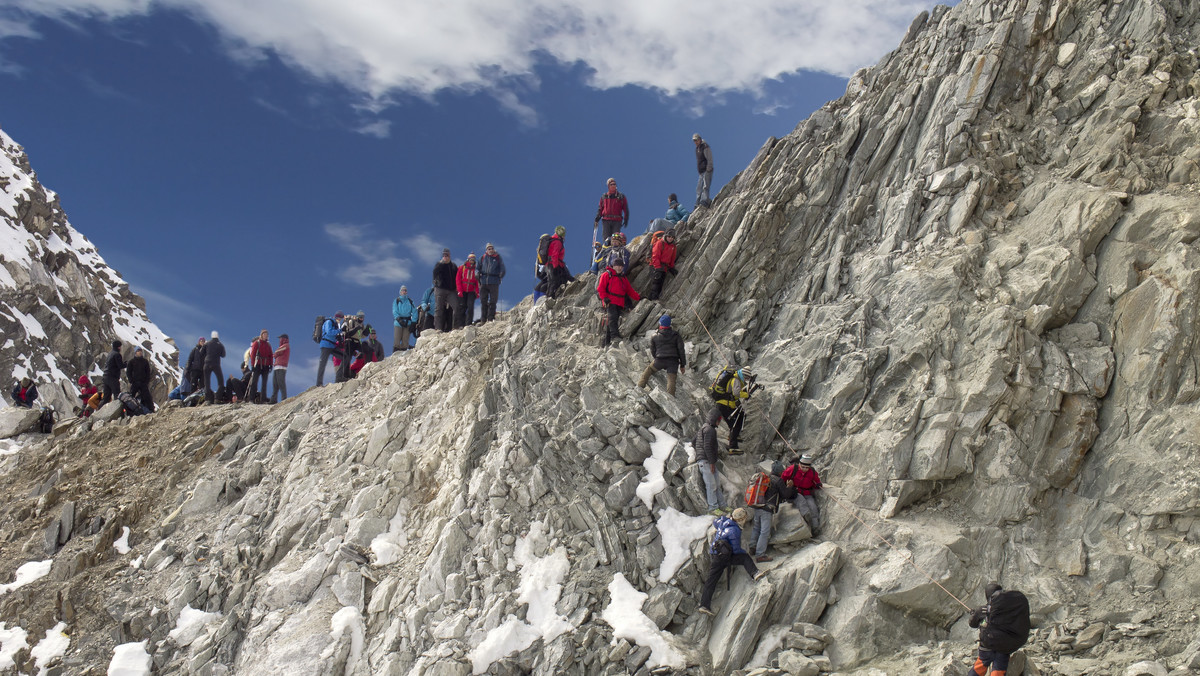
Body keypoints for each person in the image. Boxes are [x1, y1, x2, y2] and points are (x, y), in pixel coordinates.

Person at [699, 508, 763, 616]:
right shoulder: (735, 530)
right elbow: (736, 549)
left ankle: (704, 605)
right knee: (745, 558)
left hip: (715, 554)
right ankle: (755, 573)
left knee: (711, 580)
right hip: (726, 557)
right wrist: (745, 552)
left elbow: (715, 522)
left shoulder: (723, 522)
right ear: (740, 519)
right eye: (743, 518)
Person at [967, 583, 1031, 676]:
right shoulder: (1011, 607)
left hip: (988, 644)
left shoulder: (984, 609)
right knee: (999, 669)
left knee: (980, 666)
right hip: (1005, 646)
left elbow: (972, 624)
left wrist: (975, 613)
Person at [709, 367, 760, 455]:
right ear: (743, 375)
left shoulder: (735, 378)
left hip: (724, 404)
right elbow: (736, 393)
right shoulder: (736, 379)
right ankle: (733, 447)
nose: (747, 379)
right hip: (725, 404)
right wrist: (746, 394)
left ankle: (733, 436)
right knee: (735, 424)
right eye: (746, 377)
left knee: (738, 418)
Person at [747, 463, 791, 562]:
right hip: (767, 510)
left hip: (757, 506)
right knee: (765, 532)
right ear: (780, 472)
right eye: (782, 471)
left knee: (756, 527)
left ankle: (753, 547)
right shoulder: (778, 480)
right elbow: (785, 494)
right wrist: (789, 487)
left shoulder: (767, 478)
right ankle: (760, 555)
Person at [596, 258, 640, 347]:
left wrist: (639, 298)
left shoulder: (623, 278)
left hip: (619, 302)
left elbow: (630, 290)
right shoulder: (607, 274)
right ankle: (614, 337)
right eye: (617, 266)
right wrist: (605, 298)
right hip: (610, 301)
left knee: (612, 321)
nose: (619, 268)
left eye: (621, 266)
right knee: (613, 318)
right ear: (613, 266)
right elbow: (600, 288)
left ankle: (605, 343)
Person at [638, 315, 686, 395]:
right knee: (671, 380)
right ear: (669, 324)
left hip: (659, 360)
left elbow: (652, 350)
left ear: (660, 324)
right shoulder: (676, 335)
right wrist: (682, 365)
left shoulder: (655, 336)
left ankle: (639, 387)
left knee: (649, 369)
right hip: (673, 361)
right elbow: (681, 350)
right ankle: (670, 399)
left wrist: (656, 358)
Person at [782, 454, 823, 536]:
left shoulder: (812, 472)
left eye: (806, 468)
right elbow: (783, 477)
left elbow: (817, 482)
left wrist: (818, 485)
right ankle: (806, 517)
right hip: (795, 492)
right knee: (802, 502)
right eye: (803, 467)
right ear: (799, 464)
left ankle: (815, 528)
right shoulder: (793, 469)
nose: (804, 469)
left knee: (813, 507)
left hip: (807, 493)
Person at [693, 408, 724, 514]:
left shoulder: (704, 428)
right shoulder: (710, 430)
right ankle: (713, 508)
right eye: (719, 419)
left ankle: (722, 505)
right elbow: (707, 447)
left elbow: (694, 441)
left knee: (716, 484)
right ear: (715, 419)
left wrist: (698, 451)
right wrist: (711, 462)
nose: (719, 422)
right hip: (706, 462)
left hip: (706, 460)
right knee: (711, 485)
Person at [594, 178, 629, 243]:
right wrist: (597, 218)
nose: (613, 185)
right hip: (606, 220)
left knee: (615, 238)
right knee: (606, 238)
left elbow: (625, 208)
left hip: (617, 220)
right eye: (611, 184)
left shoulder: (621, 196)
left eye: (614, 184)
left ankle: (615, 251)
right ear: (608, 186)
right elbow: (600, 208)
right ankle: (606, 251)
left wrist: (626, 218)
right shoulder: (604, 197)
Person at [647, 229, 678, 301]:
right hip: (655, 265)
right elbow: (655, 256)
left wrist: (671, 267)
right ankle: (653, 299)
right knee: (656, 282)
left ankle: (653, 298)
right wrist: (657, 268)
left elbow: (672, 258)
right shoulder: (660, 243)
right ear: (666, 236)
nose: (670, 238)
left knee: (661, 283)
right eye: (669, 236)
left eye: (672, 237)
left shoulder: (673, 246)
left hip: (664, 267)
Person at [478, 243, 506, 322]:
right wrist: (477, 274)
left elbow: (502, 268)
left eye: (492, 248)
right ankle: (483, 319)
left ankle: (490, 318)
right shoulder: (482, 258)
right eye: (489, 249)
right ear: (486, 250)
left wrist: (501, 274)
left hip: (494, 281)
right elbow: (478, 267)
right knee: (483, 301)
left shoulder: (497, 258)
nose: (490, 250)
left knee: (493, 301)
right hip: (484, 281)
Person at [433, 249, 458, 332]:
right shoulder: (439, 264)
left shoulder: (453, 266)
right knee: (439, 308)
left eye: (447, 255)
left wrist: (457, 287)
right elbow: (435, 274)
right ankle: (438, 328)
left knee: (456, 307)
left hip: (451, 290)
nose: (445, 257)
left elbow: (457, 277)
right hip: (440, 289)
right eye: (444, 255)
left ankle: (456, 326)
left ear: (449, 255)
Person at [316, 314, 342, 387]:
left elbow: (333, 334)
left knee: (344, 357)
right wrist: (340, 330)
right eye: (339, 318)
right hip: (326, 345)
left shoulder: (335, 324)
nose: (339, 319)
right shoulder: (329, 322)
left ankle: (341, 377)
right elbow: (329, 332)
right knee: (323, 364)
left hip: (332, 345)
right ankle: (319, 383)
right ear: (336, 317)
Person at [248, 330, 273, 404]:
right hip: (258, 365)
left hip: (265, 366)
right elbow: (253, 355)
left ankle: (263, 400)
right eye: (264, 334)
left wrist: (271, 365)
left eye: (267, 335)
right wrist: (252, 365)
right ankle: (251, 399)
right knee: (254, 382)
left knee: (264, 383)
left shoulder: (268, 345)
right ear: (261, 335)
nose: (266, 336)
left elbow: (271, 355)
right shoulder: (257, 343)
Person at [544, 226, 570, 299]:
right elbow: (554, 255)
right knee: (553, 282)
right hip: (553, 264)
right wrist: (555, 267)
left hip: (549, 264)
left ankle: (550, 297)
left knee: (552, 282)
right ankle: (550, 299)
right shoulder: (557, 242)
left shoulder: (553, 240)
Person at [126, 347, 155, 412]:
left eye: (141, 351)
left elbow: (148, 372)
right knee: (131, 397)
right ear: (135, 352)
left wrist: (146, 381)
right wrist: (131, 380)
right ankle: (129, 411)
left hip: (143, 383)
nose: (140, 352)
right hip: (135, 383)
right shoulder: (131, 362)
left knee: (147, 397)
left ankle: (151, 410)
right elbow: (128, 372)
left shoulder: (145, 362)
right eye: (138, 351)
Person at [456, 253, 480, 328]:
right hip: (462, 290)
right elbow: (458, 279)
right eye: (470, 259)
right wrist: (459, 290)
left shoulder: (476, 270)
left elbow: (477, 282)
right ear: (468, 259)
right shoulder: (462, 268)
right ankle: (461, 324)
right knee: (462, 307)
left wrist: (477, 292)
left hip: (471, 291)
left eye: (473, 259)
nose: (472, 261)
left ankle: (468, 324)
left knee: (470, 307)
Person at [392, 286, 419, 352]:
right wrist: (399, 319)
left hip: (408, 323)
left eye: (405, 290)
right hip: (398, 323)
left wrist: (413, 322)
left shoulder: (410, 301)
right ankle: (395, 355)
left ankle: (403, 354)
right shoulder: (397, 300)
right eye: (402, 290)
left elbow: (415, 311)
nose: (404, 292)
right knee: (397, 341)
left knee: (405, 341)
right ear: (400, 292)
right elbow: (395, 311)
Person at [203, 331, 226, 403]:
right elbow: (223, 355)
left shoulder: (207, 343)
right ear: (217, 336)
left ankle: (207, 399)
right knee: (220, 381)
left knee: (207, 382)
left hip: (207, 364)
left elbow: (201, 352)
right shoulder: (220, 345)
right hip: (216, 364)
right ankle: (217, 398)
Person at [694, 133, 714, 208]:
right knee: (698, 188)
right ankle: (697, 203)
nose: (695, 142)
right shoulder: (697, 149)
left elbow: (709, 157)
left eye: (696, 140)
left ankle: (704, 201)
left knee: (705, 186)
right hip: (701, 172)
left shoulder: (705, 146)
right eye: (694, 141)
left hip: (707, 169)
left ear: (699, 139)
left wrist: (709, 167)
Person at [270, 334, 289, 403]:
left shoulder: (286, 345)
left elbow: (278, 352)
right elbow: (276, 353)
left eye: (280, 338)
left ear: (284, 339)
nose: (279, 340)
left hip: (281, 366)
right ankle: (273, 400)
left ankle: (284, 398)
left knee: (281, 383)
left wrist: (274, 354)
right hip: (277, 366)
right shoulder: (282, 346)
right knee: (275, 384)